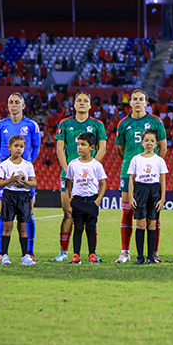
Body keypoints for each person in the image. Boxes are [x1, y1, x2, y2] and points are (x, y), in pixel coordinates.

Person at [53, 91, 107, 262]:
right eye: (78, 100)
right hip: (68, 174)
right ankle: (63, 252)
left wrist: (89, 167)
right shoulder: (65, 123)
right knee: (68, 213)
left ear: (90, 105)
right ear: (74, 104)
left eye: (85, 101)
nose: (82, 103)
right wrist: (70, 170)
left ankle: (93, 252)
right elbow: (60, 149)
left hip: (89, 178)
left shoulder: (97, 124)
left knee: (91, 216)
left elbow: (103, 148)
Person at [115, 89, 167, 263]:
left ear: (147, 103)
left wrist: (150, 164)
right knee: (128, 211)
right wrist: (134, 163)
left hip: (150, 174)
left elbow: (163, 148)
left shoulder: (155, 121)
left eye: (141, 99)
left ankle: (154, 252)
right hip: (129, 171)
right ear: (130, 103)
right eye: (135, 99)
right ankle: (125, 251)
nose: (138, 102)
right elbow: (120, 150)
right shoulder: (123, 123)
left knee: (154, 214)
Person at [0, 93, 41, 262]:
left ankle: (29, 252)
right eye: (11, 102)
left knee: (28, 216)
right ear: (8, 106)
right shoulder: (0, 125)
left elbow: (36, 147)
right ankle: (1, 252)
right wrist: (6, 163)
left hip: (24, 175)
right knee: (3, 216)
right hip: (7, 174)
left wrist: (25, 165)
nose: (14, 105)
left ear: (23, 105)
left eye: (17, 102)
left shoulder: (31, 125)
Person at [65, 132, 107, 265]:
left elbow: (103, 184)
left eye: (83, 144)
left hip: (91, 200)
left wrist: (97, 201)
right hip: (77, 200)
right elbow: (68, 182)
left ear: (92, 147)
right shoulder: (73, 164)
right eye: (78, 144)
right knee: (77, 228)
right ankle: (76, 255)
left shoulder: (96, 165)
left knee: (91, 228)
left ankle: (92, 255)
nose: (80, 147)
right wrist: (70, 197)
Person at [0, 135, 37, 266]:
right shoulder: (5, 165)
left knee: (23, 227)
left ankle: (25, 256)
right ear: (9, 148)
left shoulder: (27, 165)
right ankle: (4, 255)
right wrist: (10, 180)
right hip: (9, 196)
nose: (19, 149)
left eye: (22, 146)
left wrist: (26, 182)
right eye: (16, 146)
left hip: (23, 196)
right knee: (7, 226)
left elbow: (34, 182)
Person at [128, 130, 168, 265]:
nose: (149, 143)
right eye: (147, 141)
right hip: (140, 190)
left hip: (154, 191)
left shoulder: (159, 160)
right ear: (142, 142)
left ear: (156, 144)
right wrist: (131, 197)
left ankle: (151, 256)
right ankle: (140, 256)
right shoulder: (136, 159)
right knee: (140, 223)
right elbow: (131, 179)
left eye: (152, 141)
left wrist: (162, 198)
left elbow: (162, 180)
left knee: (152, 224)